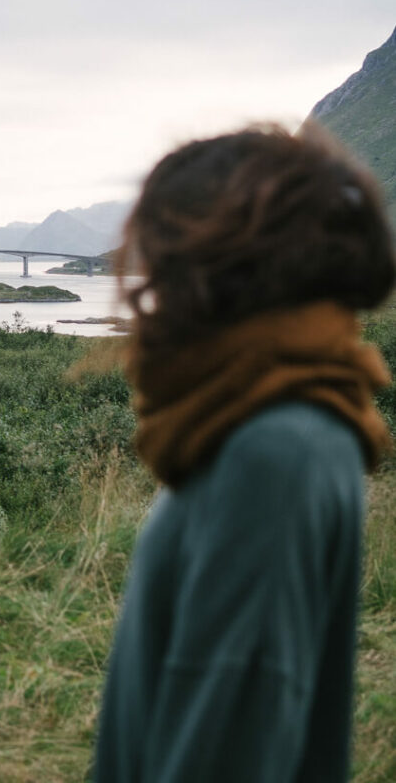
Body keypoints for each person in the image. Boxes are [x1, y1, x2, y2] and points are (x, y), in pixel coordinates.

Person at [93, 124, 395, 783]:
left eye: (168, 254)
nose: (150, 288)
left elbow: (227, 740)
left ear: (225, 267)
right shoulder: (295, 414)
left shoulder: (276, 453)